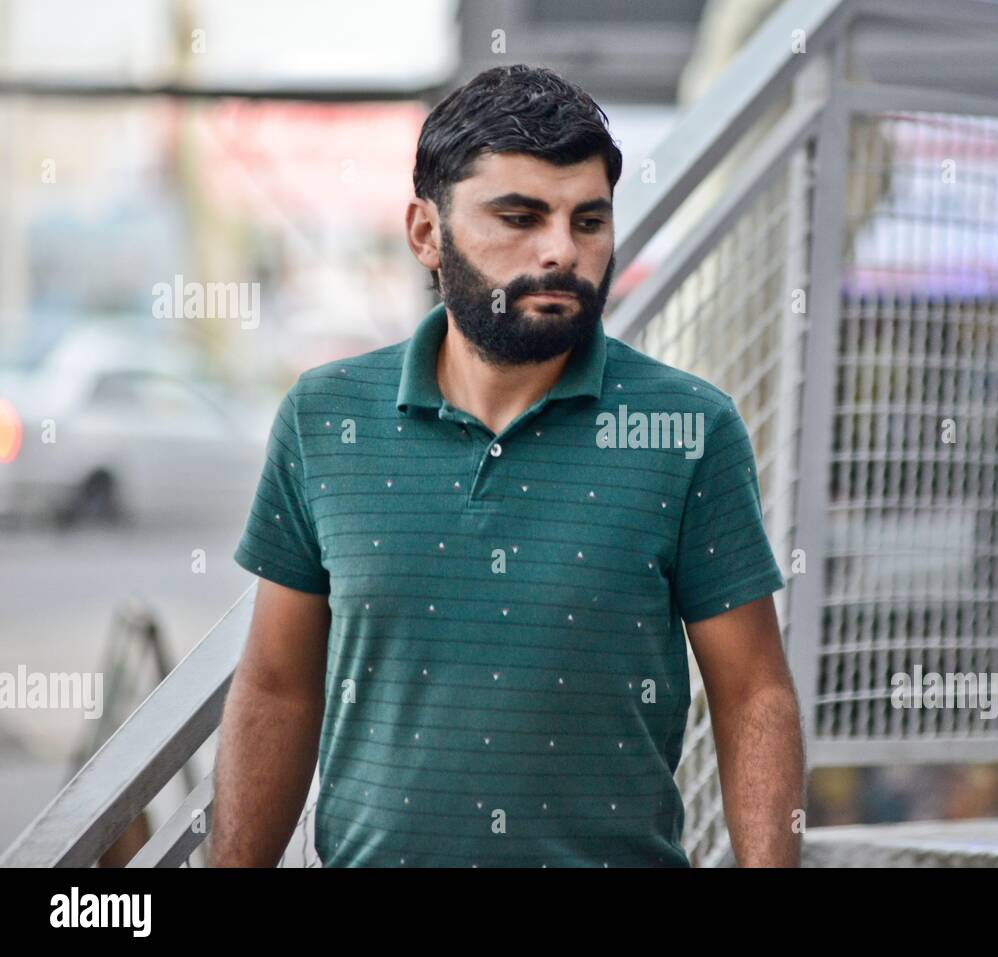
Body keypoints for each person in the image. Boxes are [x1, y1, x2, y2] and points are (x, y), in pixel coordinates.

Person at [211, 64, 803, 868]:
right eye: (520, 217)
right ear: (426, 233)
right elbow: (277, 687)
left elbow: (752, 693)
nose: (562, 250)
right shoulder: (325, 418)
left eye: (588, 221)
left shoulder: (688, 428)